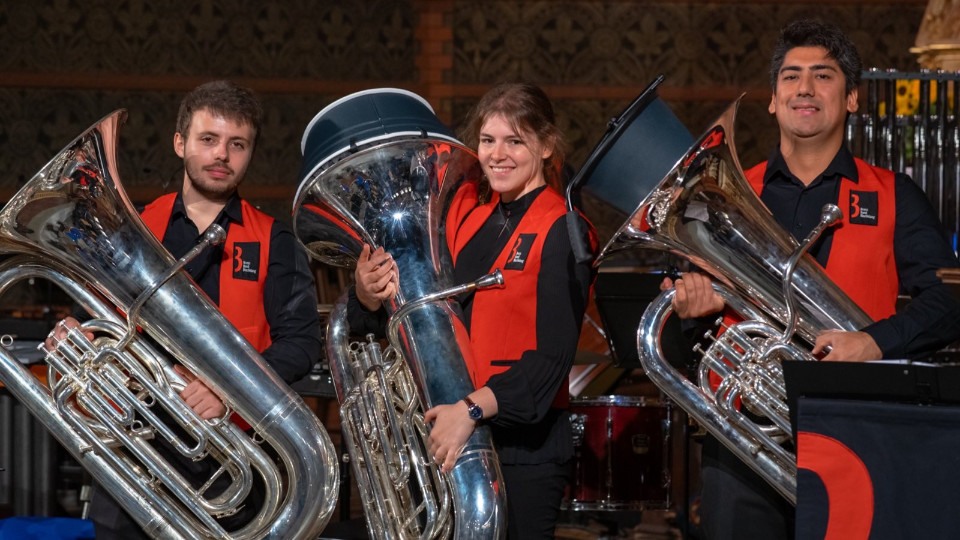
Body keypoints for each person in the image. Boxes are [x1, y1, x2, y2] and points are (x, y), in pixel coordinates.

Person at [660, 19, 960, 540]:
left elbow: (950, 302)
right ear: (773, 100)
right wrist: (691, 312)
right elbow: (688, 336)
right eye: (791, 77)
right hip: (746, 440)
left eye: (823, 76)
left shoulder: (894, 194)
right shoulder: (726, 196)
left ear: (851, 100)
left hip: (860, 434)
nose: (804, 88)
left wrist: (873, 342)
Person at [44, 80, 322, 538]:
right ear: (180, 143)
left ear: (250, 153)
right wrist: (78, 333)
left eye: (238, 145)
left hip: (231, 459)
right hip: (134, 448)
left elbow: (301, 344)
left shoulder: (276, 240)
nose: (222, 156)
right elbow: (98, 319)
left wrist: (232, 391)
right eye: (208, 140)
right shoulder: (130, 228)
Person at [349, 82, 597, 539]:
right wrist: (368, 293)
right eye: (488, 141)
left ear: (545, 146)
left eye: (515, 141)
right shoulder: (464, 210)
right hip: (444, 435)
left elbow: (551, 361)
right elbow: (414, 310)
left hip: (523, 450)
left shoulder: (564, 229)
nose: (498, 154)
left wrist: (470, 411)